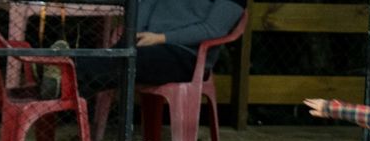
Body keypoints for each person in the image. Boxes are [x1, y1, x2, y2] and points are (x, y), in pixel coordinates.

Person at [75, 0, 246, 94]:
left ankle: (68, 73)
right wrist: (136, 33)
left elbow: (212, 30)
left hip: (186, 55)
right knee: (117, 57)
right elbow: (143, 5)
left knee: (126, 60)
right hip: (145, 44)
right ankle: (69, 77)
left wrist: (161, 38)